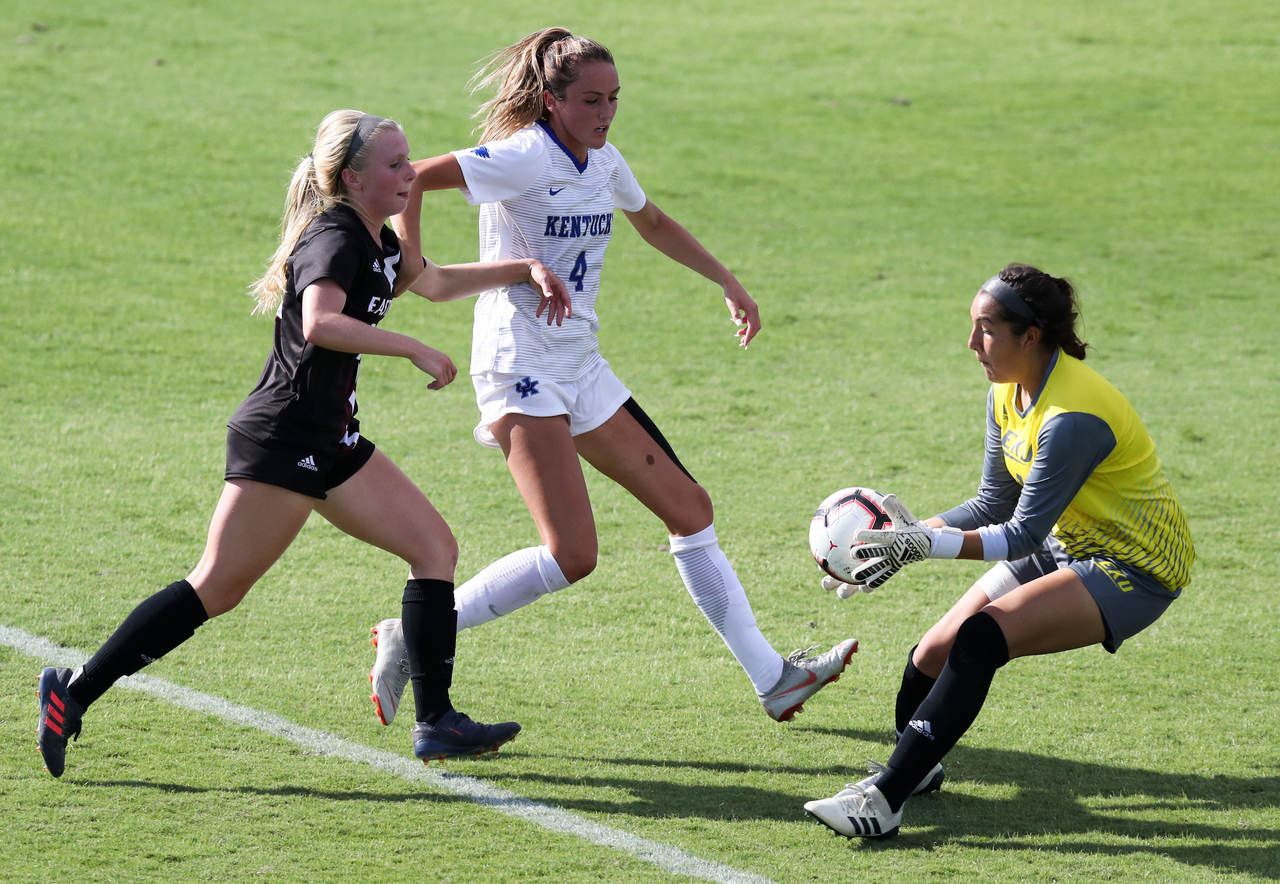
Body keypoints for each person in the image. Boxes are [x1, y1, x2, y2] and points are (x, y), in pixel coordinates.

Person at [35, 109, 573, 777]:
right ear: (352, 177)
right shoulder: (336, 237)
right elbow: (321, 322)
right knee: (217, 588)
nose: (411, 173)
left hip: (334, 441)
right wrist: (410, 348)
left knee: (434, 548)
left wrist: (522, 269)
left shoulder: (372, 238)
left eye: (409, 162)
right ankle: (73, 691)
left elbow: (429, 281)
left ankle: (437, 722)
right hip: (284, 440)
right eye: (395, 166)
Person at [363, 27, 856, 729]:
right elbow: (413, 177)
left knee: (690, 508)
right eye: (591, 99)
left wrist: (726, 279)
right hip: (519, 367)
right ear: (552, 100)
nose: (605, 112)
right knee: (573, 555)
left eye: (614, 99)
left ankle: (773, 678)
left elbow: (650, 221)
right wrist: (411, 261)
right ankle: (412, 635)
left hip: (580, 363)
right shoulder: (522, 155)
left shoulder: (603, 161)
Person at [804, 263, 1195, 839]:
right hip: (1068, 541)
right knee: (931, 653)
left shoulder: (1071, 418)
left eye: (985, 329)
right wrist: (898, 539)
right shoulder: (1005, 393)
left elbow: (1021, 536)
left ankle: (884, 800)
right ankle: (916, 768)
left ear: (1029, 337)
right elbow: (993, 503)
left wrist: (925, 545)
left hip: (1135, 566)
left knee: (981, 638)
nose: (971, 344)